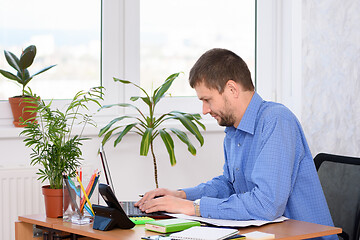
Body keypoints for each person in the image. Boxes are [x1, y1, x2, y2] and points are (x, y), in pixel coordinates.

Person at [135, 48, 336, 239]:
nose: (204, 110)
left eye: (207, 99)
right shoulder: (234, 130)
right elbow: (229, 184)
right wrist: (182, 195)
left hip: (303, 238)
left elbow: (266, 204)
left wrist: (193, 208)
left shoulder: (276, 121)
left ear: (232, 89)